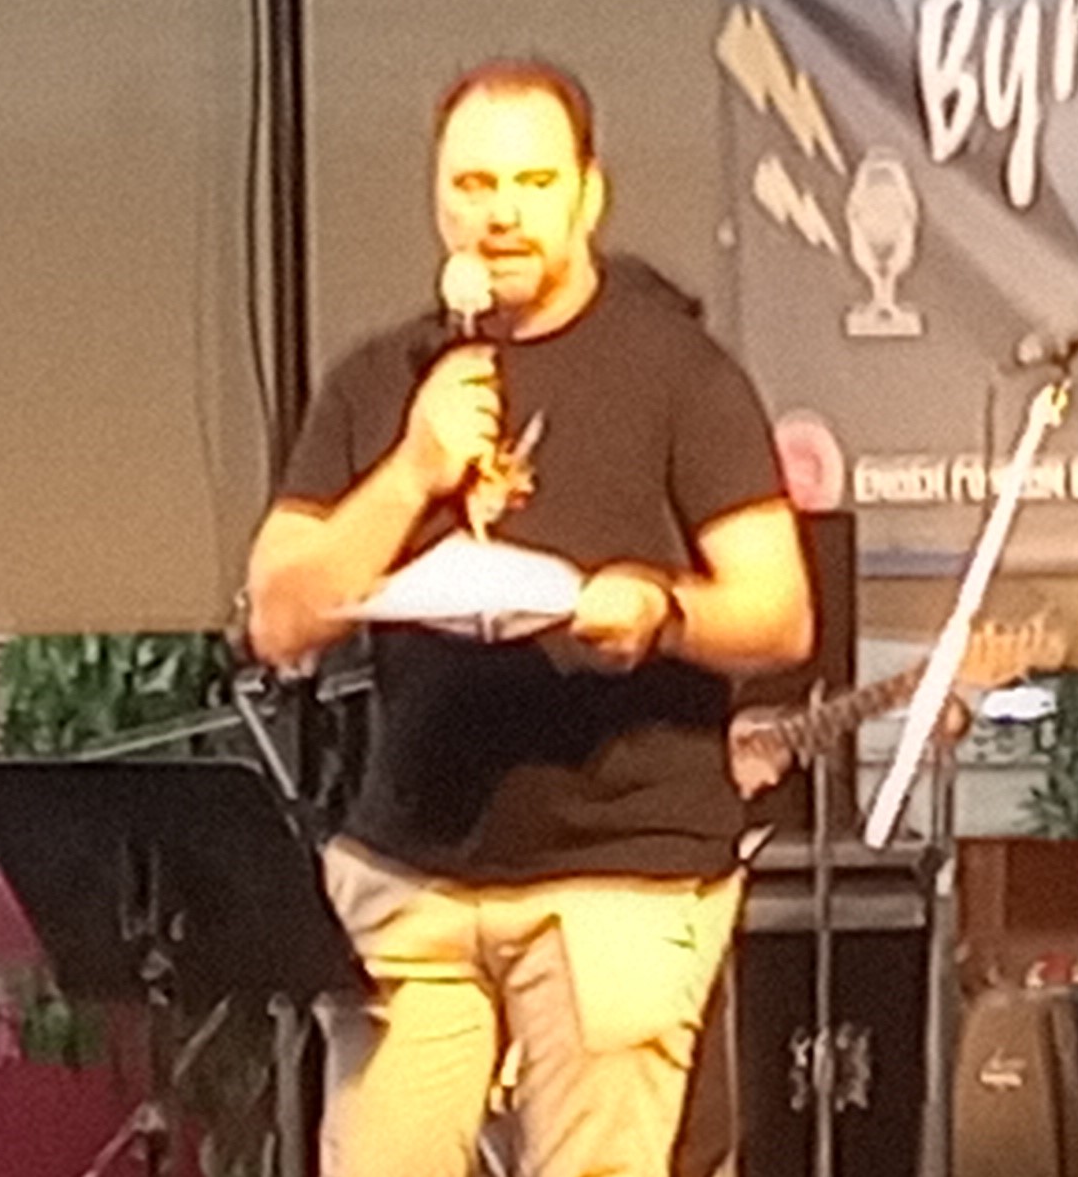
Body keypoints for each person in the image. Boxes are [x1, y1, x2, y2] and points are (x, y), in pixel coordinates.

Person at [245, 57, 814, 1177]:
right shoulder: (382, 379)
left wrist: (658, 610)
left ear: (589, 194)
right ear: (437, 197)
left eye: (532, 182)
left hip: (617, 868)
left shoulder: (678, 372)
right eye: (473, 184)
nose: (500, 213)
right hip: (415, 869)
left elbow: (779, 611)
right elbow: (280, 616)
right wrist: (412, 468)